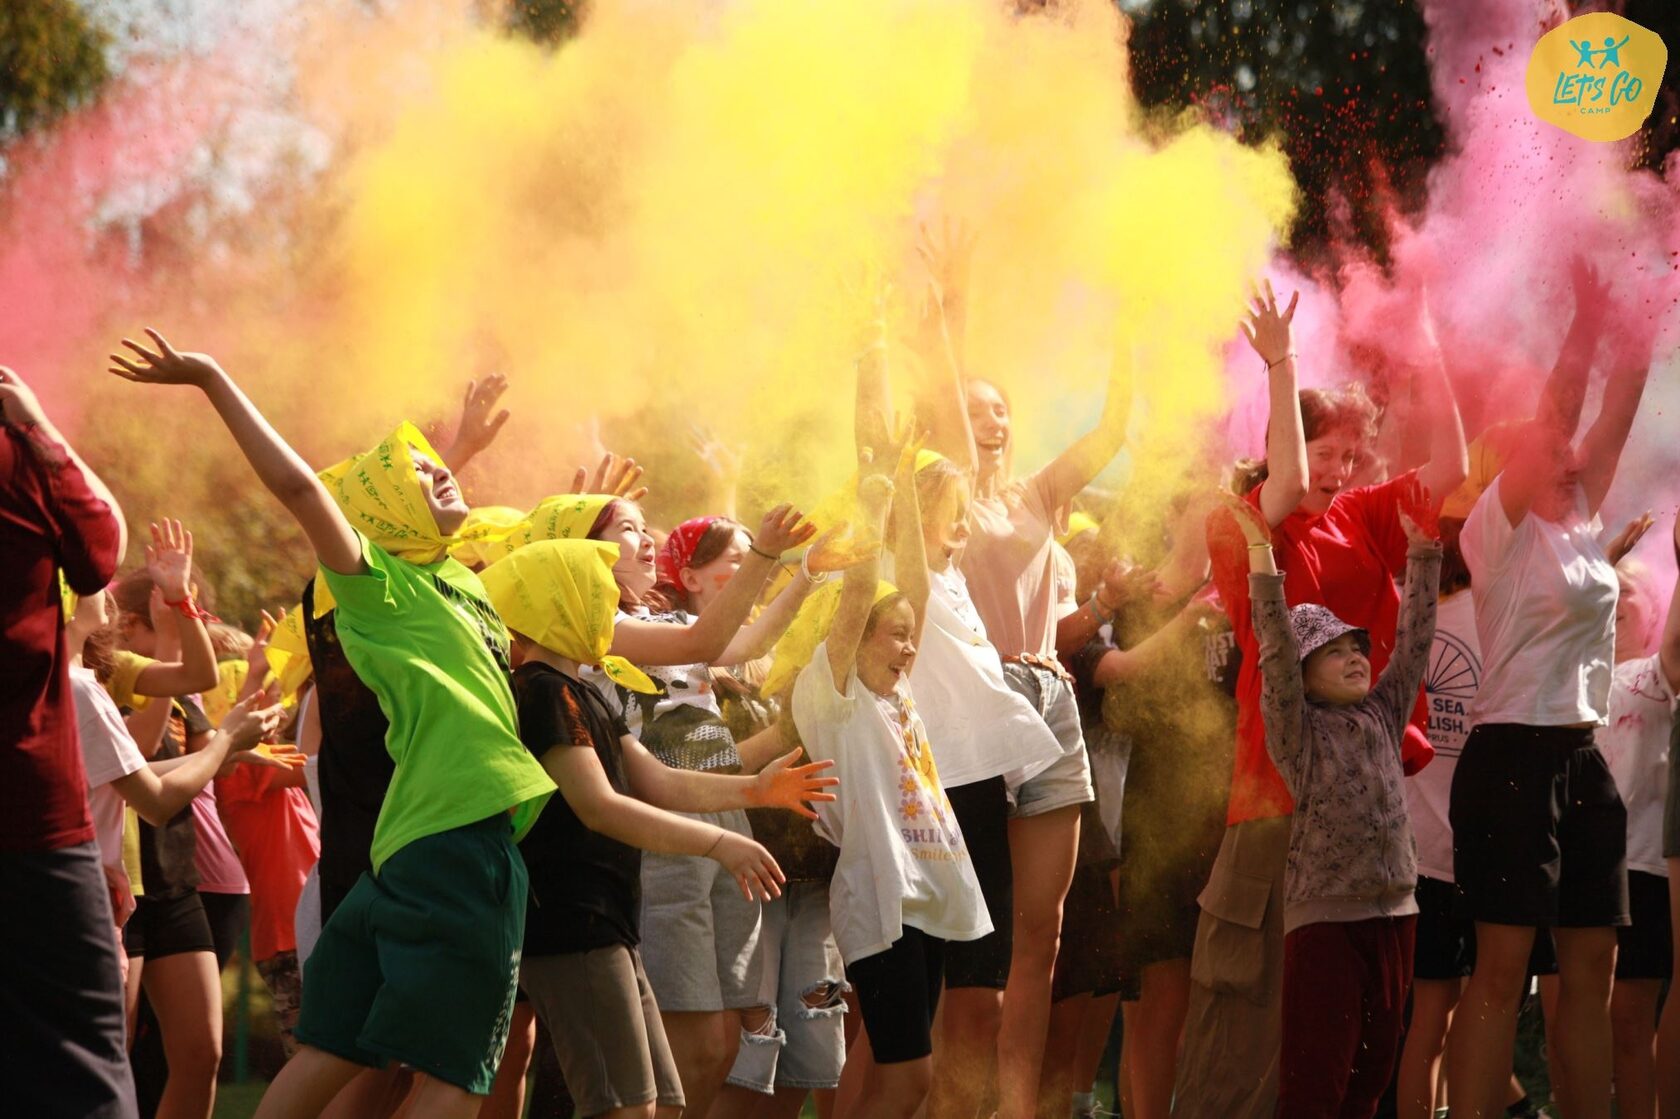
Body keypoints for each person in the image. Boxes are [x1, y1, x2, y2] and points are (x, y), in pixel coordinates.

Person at [109, 330, 557, 1119]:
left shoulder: (453, 580)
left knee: (333, 1051)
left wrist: (453, 451)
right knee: (457, 1074)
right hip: (461, 843)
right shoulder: (377, 587)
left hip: (402, 856)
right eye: (417, 474)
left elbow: (414, 510)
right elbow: (307, 491)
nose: (438, 472)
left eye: (436, 466)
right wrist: (213, 377)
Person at [1181, 280, 1467, 1119]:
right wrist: (1282, 363)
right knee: (1248, 1053)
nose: (1336, 473)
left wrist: (1429, 343)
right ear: (1282, 444)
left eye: (1350, 456)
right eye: (1323, 453)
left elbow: (1451, 470)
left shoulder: (1361, 517)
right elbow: (1290, 479)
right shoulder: (1244, 524)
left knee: (1346, 1062)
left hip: (1358, 832)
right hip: (1274, 805)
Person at [482, 536, 836, 1119]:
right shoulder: (542, 691)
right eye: (598, 594)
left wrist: (757, 790)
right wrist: (717, 842)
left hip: (608, 917)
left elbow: (659, 782)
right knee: (626, 1107)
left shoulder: (582, 693)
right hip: (573, 920)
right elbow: (600, 807)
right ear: (560, 603)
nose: (615, 607)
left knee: (661, 1105)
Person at [1445, 290, 1652, 1119]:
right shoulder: (1496, 530)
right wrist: (1590, 316)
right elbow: (1560, 410)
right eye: (1555, 451)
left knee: (1592, 971)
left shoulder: (1580, 522)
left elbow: (1620, 406)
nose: (1573, 458)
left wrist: (1650, 295)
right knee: (1500, 973)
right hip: (1511, 759)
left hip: (1582, 760)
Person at [791, 441, 992, 1119]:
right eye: (895, 635)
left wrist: (906, 481)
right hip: (882, 904)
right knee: (908, 1081)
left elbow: (916, 585)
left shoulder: (894, 692)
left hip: (924, 899)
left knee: (904, 1080)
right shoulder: (836, 696)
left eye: (910, 636)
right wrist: (873, 502)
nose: (909, 648)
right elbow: (858, 595)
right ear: (853, 640)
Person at [1230, 492, 1442, 1118]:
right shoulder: (1297, 730)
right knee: (1314, 1086)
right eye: (1333, 651)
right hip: (1326, 925)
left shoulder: (1384, 711)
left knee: (1369, 1085)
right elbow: (1274, 649)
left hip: (1397, 916)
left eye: (1357, 647)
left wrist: (1423, 552)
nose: (1354, 657)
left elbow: (1415, 641)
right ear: (1302, 674)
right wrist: (1262, 554)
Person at [0, 363, 135, 1119]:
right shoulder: (15, 458)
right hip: (31, 818)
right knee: (83, 1066)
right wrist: (36, 424)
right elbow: (101, 550)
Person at [1593, 523, 1680, 1119]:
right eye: (1608, 588)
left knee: (1629, 1016)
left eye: (1627, 590)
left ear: (1654, 610)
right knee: (1583, 1016)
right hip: (1585, 871)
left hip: (1645, 869)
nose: (1615, 598)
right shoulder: (1578, 677)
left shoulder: (1661, 677)